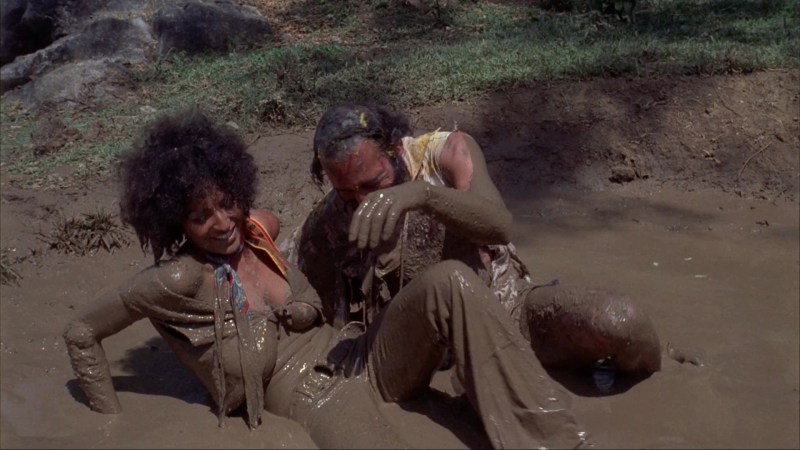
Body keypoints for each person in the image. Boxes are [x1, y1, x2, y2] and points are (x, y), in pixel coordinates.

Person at [62, 109, 586, 449]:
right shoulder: (177, 279)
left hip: (358, 357)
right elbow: (81, 331)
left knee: (451, 280)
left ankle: (554, 440)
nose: (221, 224)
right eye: (201, 217)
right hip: (313, 395)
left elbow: (267, 222)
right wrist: (110, 424)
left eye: (227, 204)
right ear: (175, 222)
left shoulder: (254, 234)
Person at [284, 102, 662, 377]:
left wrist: (422, 196)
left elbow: (499, 225)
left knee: (621, 322)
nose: (364, 201)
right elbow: (285, 267)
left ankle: (662, 374)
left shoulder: (446, 153)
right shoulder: (332, 215)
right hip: (415, 346)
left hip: (503, 310)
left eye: (374, 184)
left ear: (396, 149)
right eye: (348, 193)